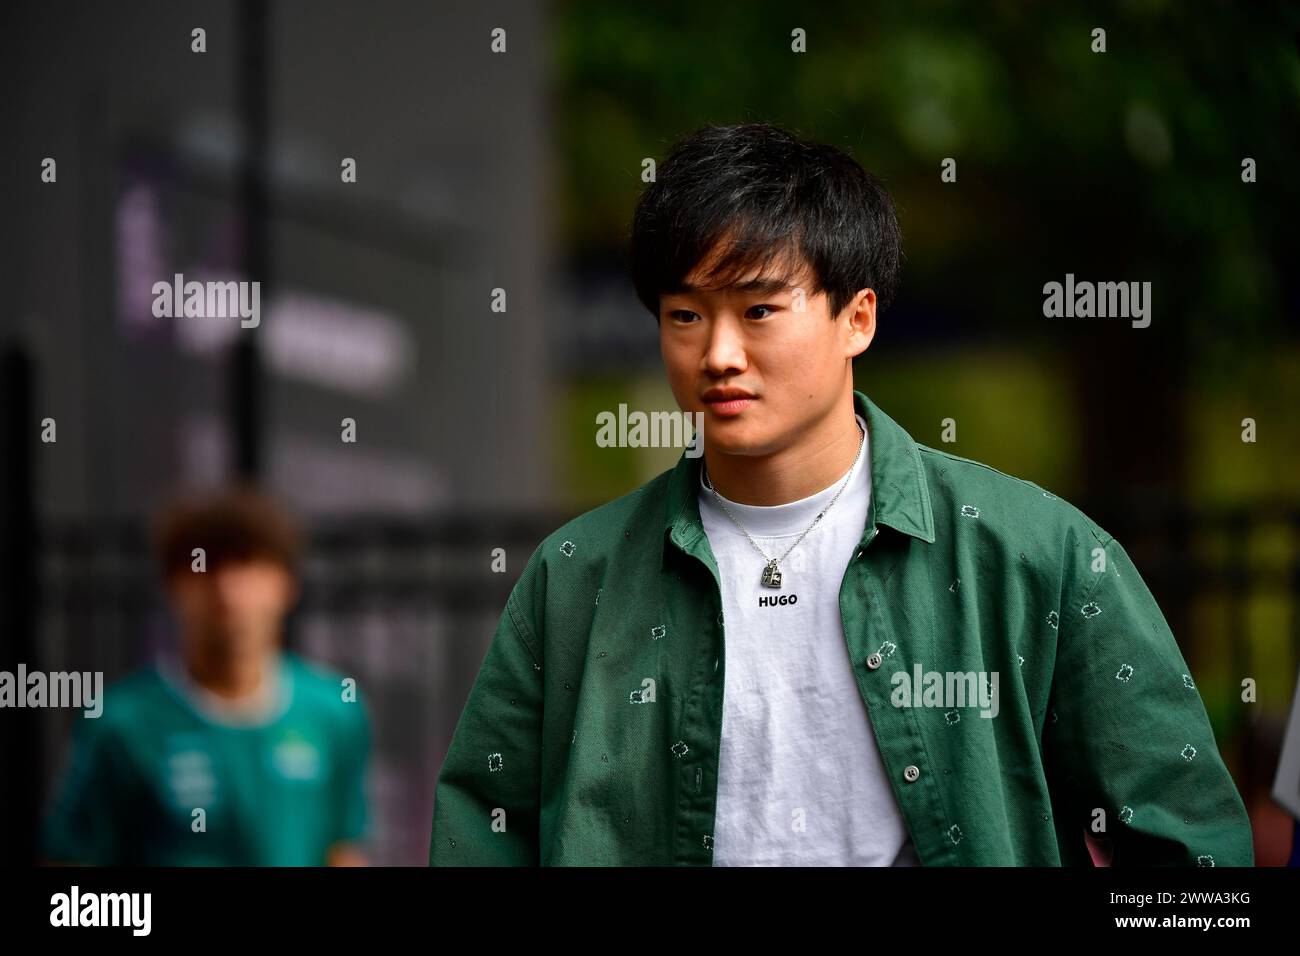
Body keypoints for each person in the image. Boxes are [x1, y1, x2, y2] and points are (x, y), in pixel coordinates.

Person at [429, 122, 1253, 866]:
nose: (718, 353)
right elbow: (483, 828)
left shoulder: (1036, 555)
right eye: (685, 316)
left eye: (758, 310)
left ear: (856, 319)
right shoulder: (579, 576)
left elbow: (1190, 852)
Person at [41, 487, 370, 866]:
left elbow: (343, 851)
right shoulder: (120, 723)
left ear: (286, 584)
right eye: (206, 566)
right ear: (171, 585)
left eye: (247, 564)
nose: (227, 591)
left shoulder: (334, 712)